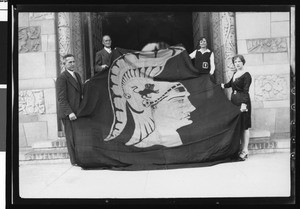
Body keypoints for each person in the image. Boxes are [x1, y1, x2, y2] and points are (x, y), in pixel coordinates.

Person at [221, 54, 252, 161]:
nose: (237, 64)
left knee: (245, 126)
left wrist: (244, 104)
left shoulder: (246, 75)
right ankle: (240, 149)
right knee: (238, 125)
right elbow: (229, 84)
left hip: (243, 101)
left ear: (243, 62)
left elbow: (245, 90)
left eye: (239, 61)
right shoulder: (235, 73)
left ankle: (245, 150)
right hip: (234, 101)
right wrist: (220, 86)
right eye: (235, 62)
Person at [56, 54, 83, 165]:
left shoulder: (77, 75)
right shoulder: (62, 77)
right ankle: (74, 161)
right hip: (69, 113)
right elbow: (61, 98)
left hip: (78, 111)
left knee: (78, 136)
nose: (72, 64)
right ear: (64, 64)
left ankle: (79, 158)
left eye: (73, 61)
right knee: (71, 138)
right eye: (69, 62)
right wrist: (70, 112)